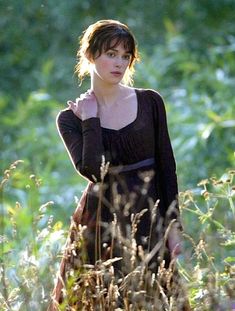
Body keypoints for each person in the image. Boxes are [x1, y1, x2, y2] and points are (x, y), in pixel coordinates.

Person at [50, 19, 190, 310]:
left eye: (125, 56)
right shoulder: (70, 118)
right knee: (97, 299)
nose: (119, 63)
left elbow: (167, 168)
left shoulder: (150, 102)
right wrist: (91, 120)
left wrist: (173, 227)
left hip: (148, 220)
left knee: (155, 298)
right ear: (90, 55)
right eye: (111, 54)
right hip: (99, 224)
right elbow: (92, 171)